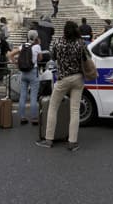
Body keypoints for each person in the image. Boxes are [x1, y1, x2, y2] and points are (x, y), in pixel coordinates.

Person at [36, 21, 85, 151]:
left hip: (63, 78)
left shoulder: (58, 43)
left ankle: (48, 139)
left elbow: (53, 57)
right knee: (75, 110)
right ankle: (72, 142)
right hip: (78, 78)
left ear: (64, 31)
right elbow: (86, 59)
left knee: (53, 107)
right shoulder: (80, 43)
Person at [7, 30, 42, 125]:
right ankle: (34, 118)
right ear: (36, 37)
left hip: (23, 72)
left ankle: (22, 117)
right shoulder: (37, 46)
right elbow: (40, 59)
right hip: (33, 72)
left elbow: (10, 54)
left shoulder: (23, 46)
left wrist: (17, 64)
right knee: (33, 96)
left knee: (22, 95)